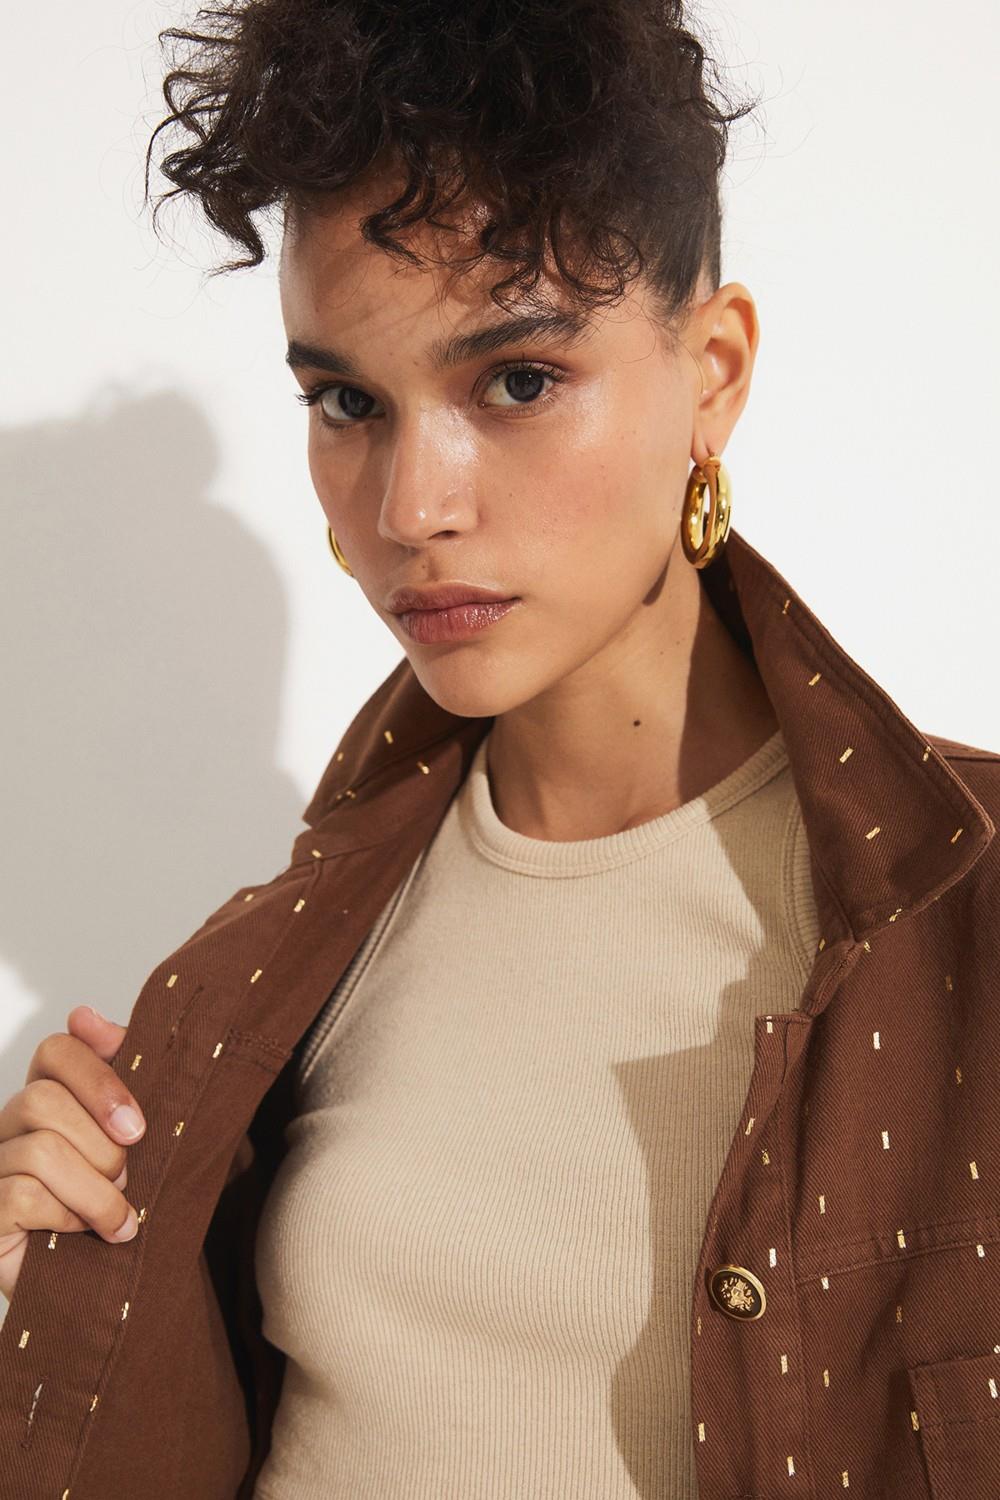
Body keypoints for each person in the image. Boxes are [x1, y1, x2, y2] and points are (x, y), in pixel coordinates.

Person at [1, 2, 999, 1497]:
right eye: (347, 402)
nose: (411, 506)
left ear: (713, 373)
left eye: (516, 380)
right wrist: (53, 1292)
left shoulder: (964, 916)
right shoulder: (259, 979)